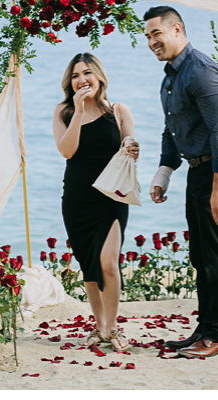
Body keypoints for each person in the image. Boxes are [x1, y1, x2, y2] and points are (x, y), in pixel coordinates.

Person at [145, 5, 218, 359]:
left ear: (177, 29)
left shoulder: (201, 71)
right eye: (147, 36)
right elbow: (173, 128)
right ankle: (205, 329)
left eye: (156, 34)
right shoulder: (171, 76)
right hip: (199, 171)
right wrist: (164, 172)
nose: (151, 42)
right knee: (201, 256)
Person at [53, 52, 139, 353]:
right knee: (89, 264)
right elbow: (67, 151)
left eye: (87, 73)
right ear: (70, 81)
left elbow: (130, 145)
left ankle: (113, 327)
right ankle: (101, 328)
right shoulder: (64, 111)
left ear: (99, 76)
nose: (81, 80)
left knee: (108, 263)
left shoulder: (118, 110)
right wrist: (77, 112)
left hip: (111, 196)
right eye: (75, 75)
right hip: (77, 198)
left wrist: (131, 147)